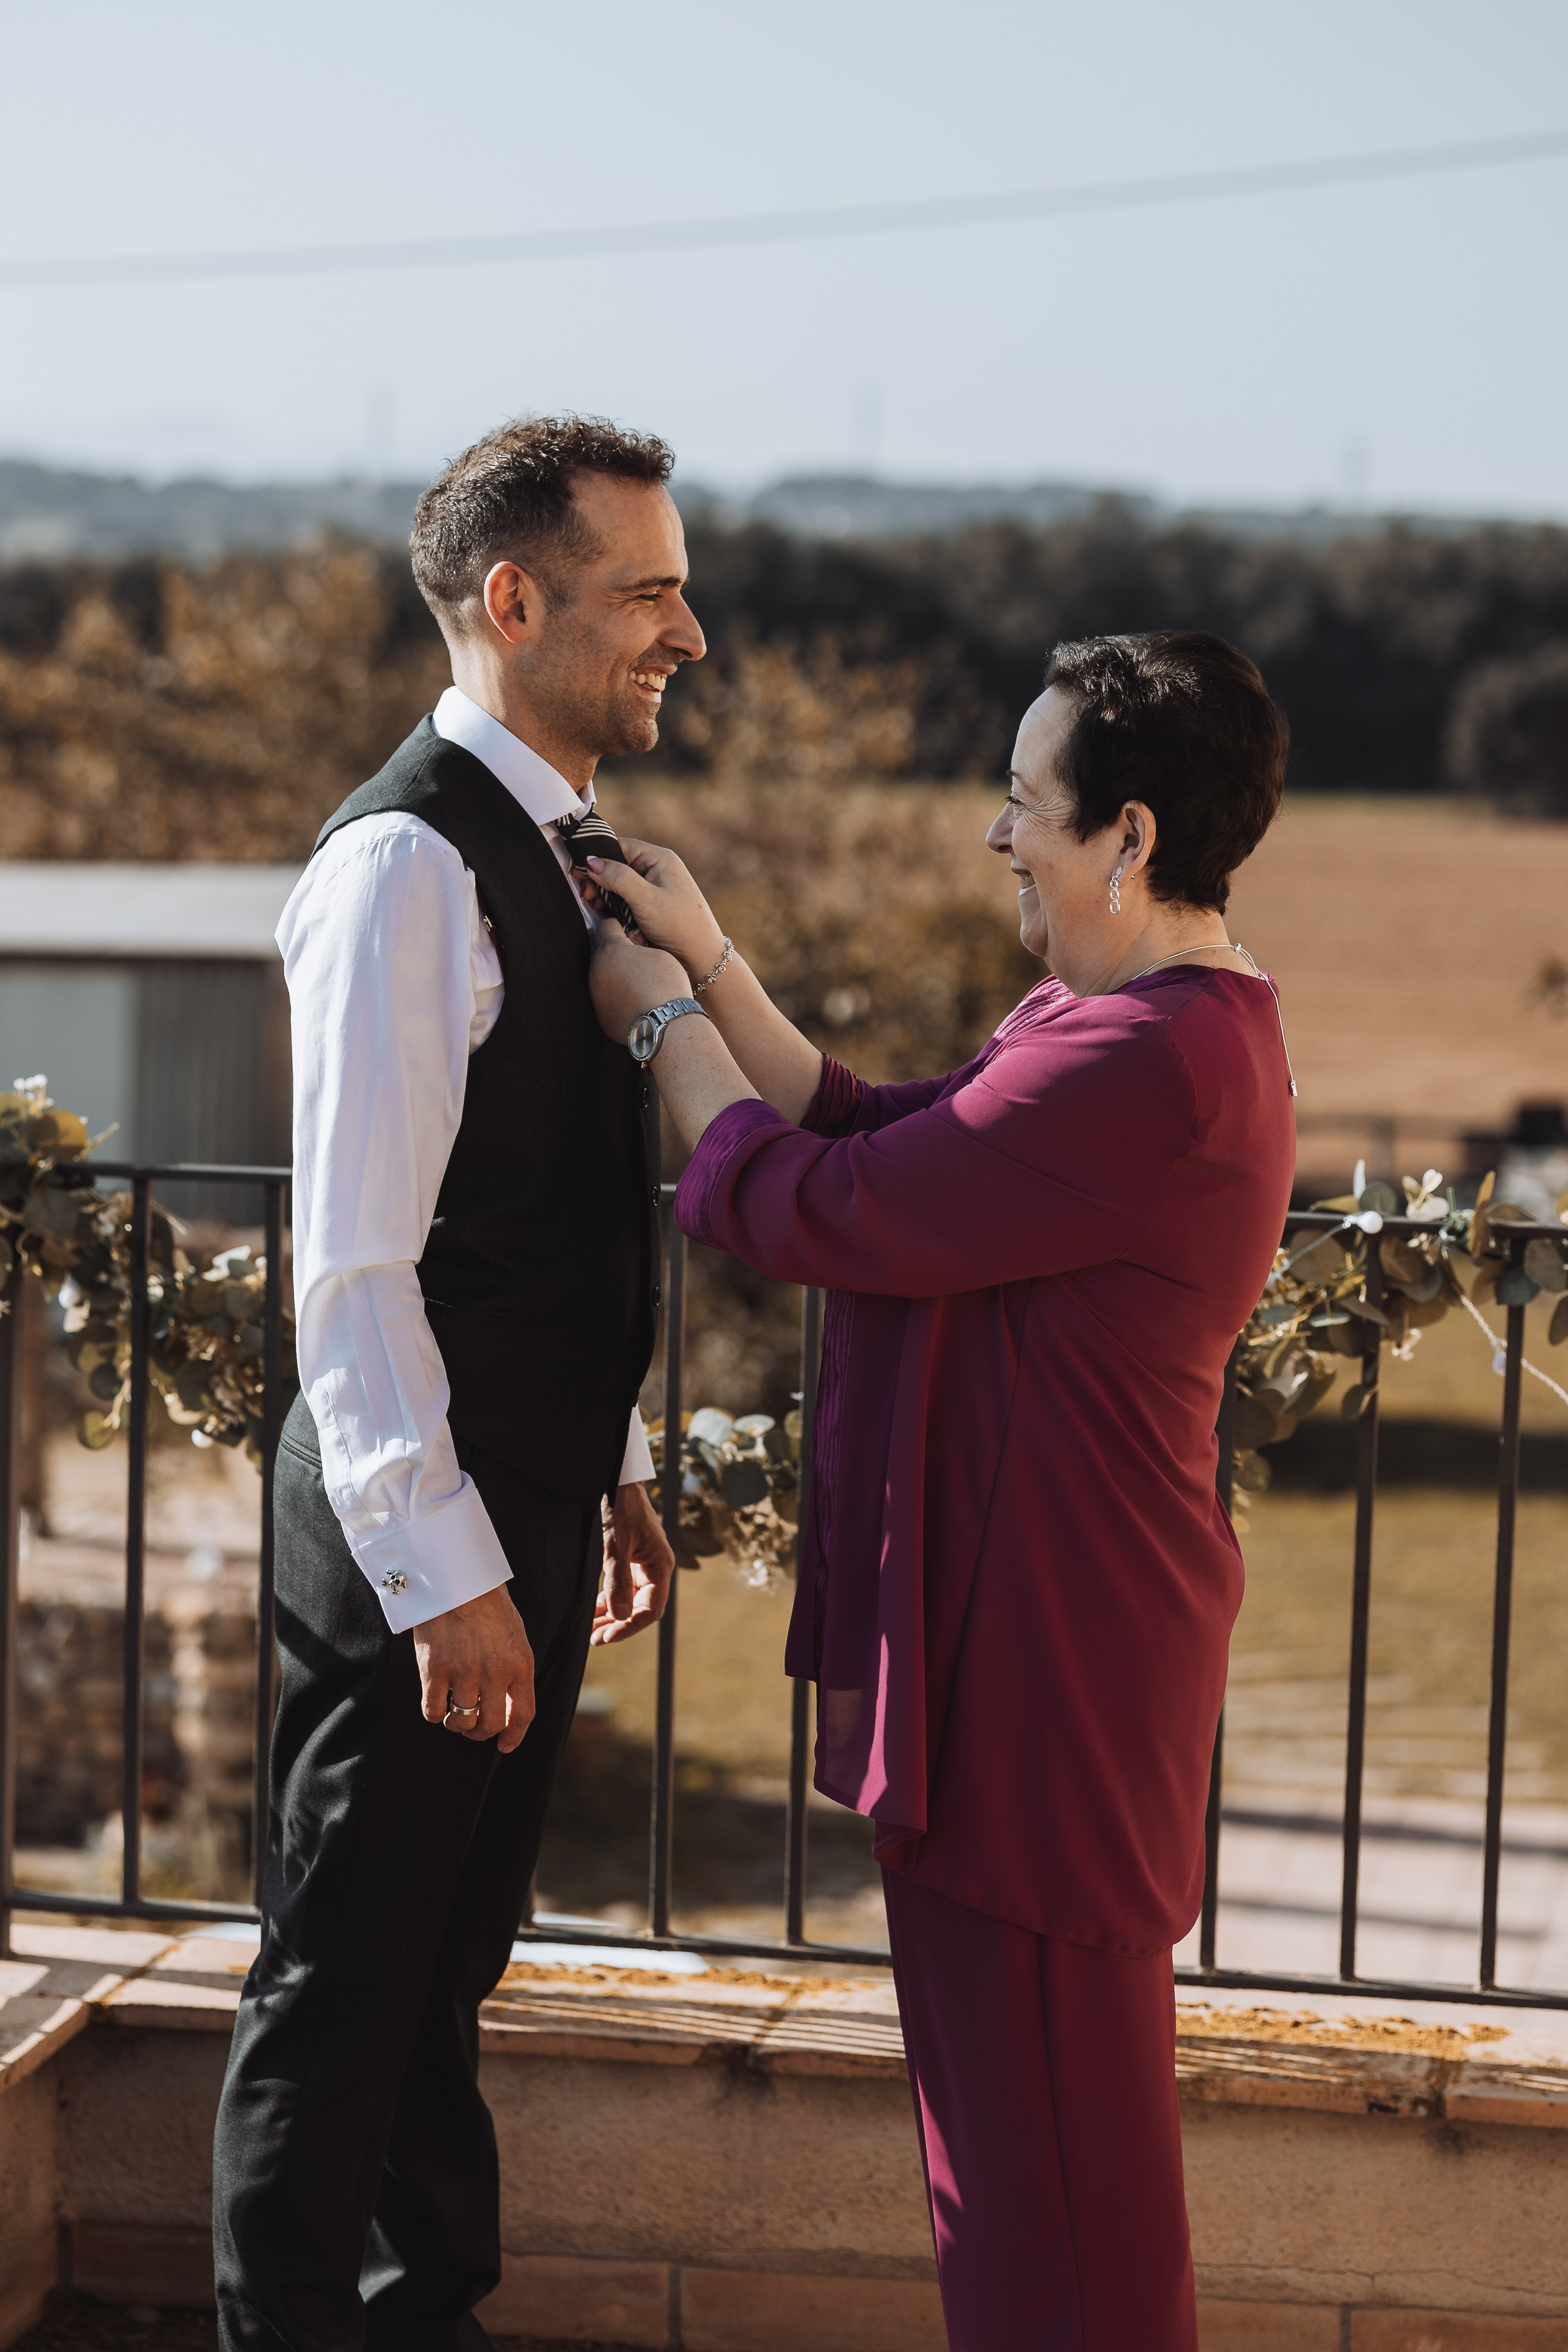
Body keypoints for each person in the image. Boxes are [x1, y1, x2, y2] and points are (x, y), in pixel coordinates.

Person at [584, 631, 1296, 2351]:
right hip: (1037, 1657)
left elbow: (813, 1211)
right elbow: (866, 1125)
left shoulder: (1149, 1066)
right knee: (1032, 2172)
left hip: (1046, 1681)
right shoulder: (1112, 1022)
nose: (994, 837)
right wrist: (714, 951)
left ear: (1124, 837)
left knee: (1050, 2193)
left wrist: (659, 1020)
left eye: (1018, 803)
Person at [213, 415, 705, 2351]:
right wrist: (450, 1576)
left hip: (525, 1506)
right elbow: (353, 1267)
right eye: (649, 588)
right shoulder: (408, 862)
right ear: (514, 601)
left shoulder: (573, 852)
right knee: (342, 1984)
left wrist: (617, 1468)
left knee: (445, 1973)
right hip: (418, 1549)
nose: (691, 626)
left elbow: (541, 1214)